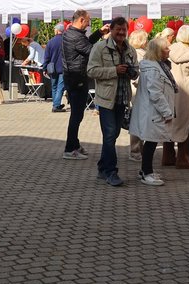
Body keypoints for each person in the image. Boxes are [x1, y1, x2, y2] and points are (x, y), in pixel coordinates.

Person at [86, 17, 138, 186]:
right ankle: (111, 172)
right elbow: (91, 71)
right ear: (111, 30)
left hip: (123, 98)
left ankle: (102, 166)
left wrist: (132, 72)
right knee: (109, 135)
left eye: (124, 30)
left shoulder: (130, 50)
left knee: (113, 134)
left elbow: (136, 71)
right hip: (106, 98)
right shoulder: (100, 47)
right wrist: (114, 70)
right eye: (118, 30)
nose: (122, 33)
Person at [128, 37, 176, 186]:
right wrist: (167, 112)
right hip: (153, 112)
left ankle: (146, 170)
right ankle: (146, 172)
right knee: (151, 141)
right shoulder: (154, 69)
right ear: (158, 51)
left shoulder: (157, 66)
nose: (169, 50)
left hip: (152, 112)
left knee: (152, 141)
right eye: (166, 48)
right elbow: (156, 93)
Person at [61, 10, 108, 160]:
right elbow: (91, 50)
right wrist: (106, 42)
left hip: (74, 77)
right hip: (77, 79)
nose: (89, 24)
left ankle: (74, 144)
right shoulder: (75, 36)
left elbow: (87, 43)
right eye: (88, 21)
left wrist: (99, 32)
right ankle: (70, 149)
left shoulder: (72, 33)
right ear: (81, 20)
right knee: (76, 115)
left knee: (77, 114)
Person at [165, 25, 189, 169]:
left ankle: (167, 156)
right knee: (186, 122)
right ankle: (183, 158)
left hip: (170, 90)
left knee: (170, 121)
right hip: (186, 92)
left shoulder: (169, 49)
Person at [127, 29, 149, 161]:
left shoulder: (132, 52)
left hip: (136, 90)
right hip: (138, 90)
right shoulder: (139, 54)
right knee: (138, 121)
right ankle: (136, 150)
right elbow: (136, 75)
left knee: (138, 120)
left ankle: (138, 149)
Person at [43, 23, 66, 113]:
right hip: (63, 67)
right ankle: (56, 105)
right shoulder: (66, 41)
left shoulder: (50, 42)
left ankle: (56, 104)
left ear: (57, 30)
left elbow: (46, 57)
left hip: (52, 68)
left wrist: (44, 68)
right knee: (60, 87)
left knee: (54, 87)